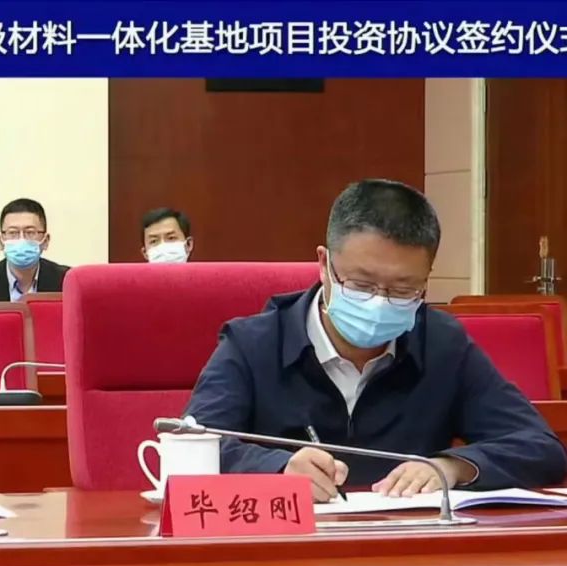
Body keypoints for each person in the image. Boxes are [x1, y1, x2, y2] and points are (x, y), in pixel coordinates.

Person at [184, 178, 567, 502]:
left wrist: (451, 467)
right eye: (361, 284)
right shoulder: (253, 344)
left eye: (403, 289)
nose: (380, 302)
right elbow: (189, 447)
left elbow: (540, 447)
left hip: (405, 553)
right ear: (324, 264)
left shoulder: (442, 345)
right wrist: (279, 469)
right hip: (282, 555)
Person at [0, 198, 70, 302]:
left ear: (45, 241)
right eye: (13, 233)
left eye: (30, 232)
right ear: (1, 241)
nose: (21, 240)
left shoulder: (66, 281)